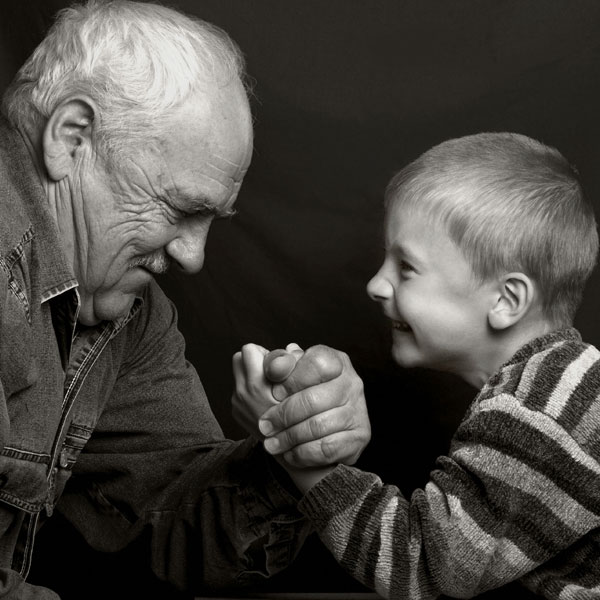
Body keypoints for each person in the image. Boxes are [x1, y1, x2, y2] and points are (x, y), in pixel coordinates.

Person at [0, 1, 371, 598]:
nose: (194, 258)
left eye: (212, 221)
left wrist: (295, 455)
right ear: (72, 139)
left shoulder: (127, 311)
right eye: (179, 209)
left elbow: (177, 521)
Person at [233, 132, 600, 599]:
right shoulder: (555, 390)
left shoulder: (539, 416)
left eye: (406, 267)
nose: (376, 284)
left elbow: (425, 570)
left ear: (507, 300)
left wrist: (303, 457)